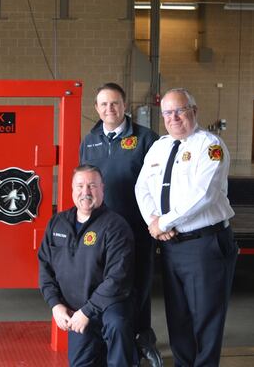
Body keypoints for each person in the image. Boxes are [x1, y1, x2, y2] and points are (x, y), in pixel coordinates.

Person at [135, 88, 237, 367]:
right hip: (171, 244)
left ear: (194, 110)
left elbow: (203, 195)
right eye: (167, 112)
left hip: (205, 245)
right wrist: (152, 222)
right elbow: (141, 186)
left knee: (205, 318)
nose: (174, 117)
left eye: (180, 110)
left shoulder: (211, 146)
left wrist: (163, 223)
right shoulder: (159, 146)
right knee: (177, 316)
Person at [78, 83, 162, 366]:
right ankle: (108, 338)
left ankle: (139, 339)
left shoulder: (146, 139)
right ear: (96, 108)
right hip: (101, 232)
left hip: (137, 230)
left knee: (137, 287)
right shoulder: (89, 140)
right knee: (102, 284)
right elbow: (84, 186)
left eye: (114, 103)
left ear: (125, 106)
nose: (109, 109)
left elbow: (158, 185)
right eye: (103, 104)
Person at [38, 165, 136, 367]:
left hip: (109, 306)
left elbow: (117, 278)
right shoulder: (57, 223)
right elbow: (45, 268)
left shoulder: (116, 226)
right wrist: (55, 305)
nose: (86, 192)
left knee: (118, 325)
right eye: (80, 186)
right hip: (76, 311)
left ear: (102, 189)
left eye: (92, 186)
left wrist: (86, 312)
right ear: (72, 189)